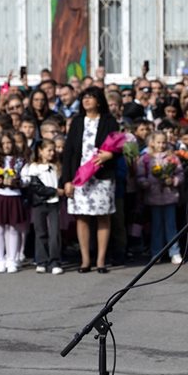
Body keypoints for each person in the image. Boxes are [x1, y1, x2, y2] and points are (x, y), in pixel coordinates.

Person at [61, 86, 119, 274]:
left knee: (103, 216)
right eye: (84, 97)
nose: (87, 100)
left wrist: (109, 156)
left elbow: (119, 147)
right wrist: (67, 180)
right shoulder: (77, 122)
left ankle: (101, 260)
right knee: (82, 217)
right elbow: (69, 152)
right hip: (80, 177)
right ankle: (85, 260)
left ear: (99, 101)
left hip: (102, 177)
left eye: (91, 97)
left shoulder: (109, 121)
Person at [0, 132, 30, 274]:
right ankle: (1, 260)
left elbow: (26, 179)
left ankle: (12, 259)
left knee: (13, 229)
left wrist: (17, 182)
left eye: (9, 143)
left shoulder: (20, 161)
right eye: (3, 143)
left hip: (14, 196)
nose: (6, 146)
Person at [135, 131, 184, 264]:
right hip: (153, 196)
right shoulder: (146, 158)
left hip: (169, 196)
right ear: (152, 142)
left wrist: (173, 180)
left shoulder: (172, 158)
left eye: (163, 142)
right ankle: (156, 252)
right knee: (156, 226)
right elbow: (140, 175)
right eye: (158, 142)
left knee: (171, 226)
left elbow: (180, 174)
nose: (161, 145)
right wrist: (144, 183)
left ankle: (174, 251)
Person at [24, 139, 64, 275]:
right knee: (40, 232)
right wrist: (53, 191)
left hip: (54, 204)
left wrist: (58, 192)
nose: (52, 153)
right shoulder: (34, 167)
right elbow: (36, 187)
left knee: (54, 233)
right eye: (49, 150)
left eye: (53, 150)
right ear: (40, 151)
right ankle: (41, 261)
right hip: (40, 204)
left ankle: (54, 261)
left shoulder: (56, 167)